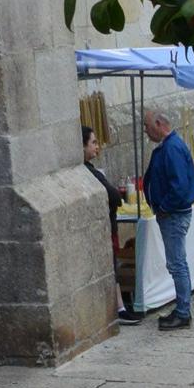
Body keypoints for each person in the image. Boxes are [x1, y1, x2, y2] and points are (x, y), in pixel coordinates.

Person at [142, 109, 194, 331]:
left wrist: (164, 207)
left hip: (174, 214)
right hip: (172, 213)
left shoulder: (172, 148)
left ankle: (183, 312)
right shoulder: (169, 146)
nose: (146, 131)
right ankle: (181, 310)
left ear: (158, 124)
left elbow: (179, 186)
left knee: (177, 263)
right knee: (176, 263)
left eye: (147, 126)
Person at [84, 126, 144, 327]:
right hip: (105, 228)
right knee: (112, 265)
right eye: (93, 143)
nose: (97, 147)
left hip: (107, 226)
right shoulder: (89, 172)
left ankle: (119, 307)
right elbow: (115, 196)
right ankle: (119, 308)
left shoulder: (91, 171)